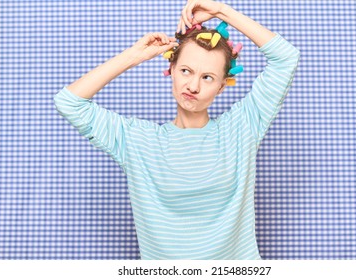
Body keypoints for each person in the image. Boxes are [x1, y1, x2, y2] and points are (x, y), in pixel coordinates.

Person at [53, 0, 300, 260]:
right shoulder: (137, 140)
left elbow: (286, 58)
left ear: (221, 86)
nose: (193, 86)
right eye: (185, 71)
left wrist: (221, 11)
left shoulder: (242, 127)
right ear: (171, 70)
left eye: (207, 77)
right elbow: (69, 102)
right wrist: (133, 56)